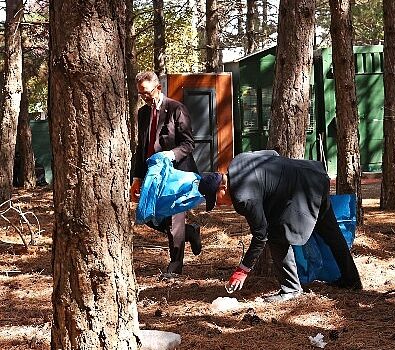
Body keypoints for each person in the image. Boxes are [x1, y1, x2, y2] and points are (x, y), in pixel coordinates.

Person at [198, 150, 362, 302]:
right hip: (314, 176)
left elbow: (261, 235)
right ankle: (352, 280)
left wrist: (243, 269)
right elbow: (272, 153)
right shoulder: (238, 162)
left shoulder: (243, 197)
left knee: (276, 236)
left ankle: (291, 289)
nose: (218, 205)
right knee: (331, 233)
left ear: (222, 187)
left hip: (303, 190)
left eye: (216, 199)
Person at [130, 71, 202, 278]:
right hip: (154, 174)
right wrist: (137, 178)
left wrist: (169, 155)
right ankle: (190, 232)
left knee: (174, 219)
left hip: (177, 173)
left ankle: (175, 266)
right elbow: (142, 148)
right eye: (140, 94)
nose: (143, 97)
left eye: (146, 92)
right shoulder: (143, 114)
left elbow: (188, 144)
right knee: (149, 215)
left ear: (158, 88)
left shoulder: (176, 109)